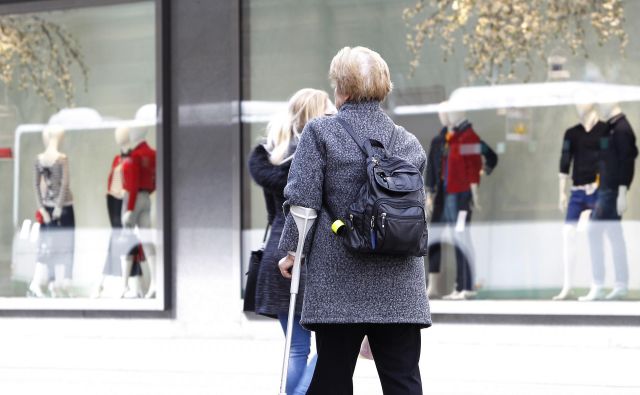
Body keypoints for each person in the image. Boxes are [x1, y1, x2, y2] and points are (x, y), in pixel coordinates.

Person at [278, 46, 431, 395]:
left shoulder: (321, 133)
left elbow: (303, 203)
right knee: (403, 379)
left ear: (341, 90)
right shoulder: (409, 144)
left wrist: (293, 253)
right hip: (400, 284)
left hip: (338, 281)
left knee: (331, 378)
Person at [248, 88, 333, 395]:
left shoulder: (274, 156)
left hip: (276, 252)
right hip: (309, 254)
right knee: (332, 344)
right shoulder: (318, 157)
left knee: (296, 348)